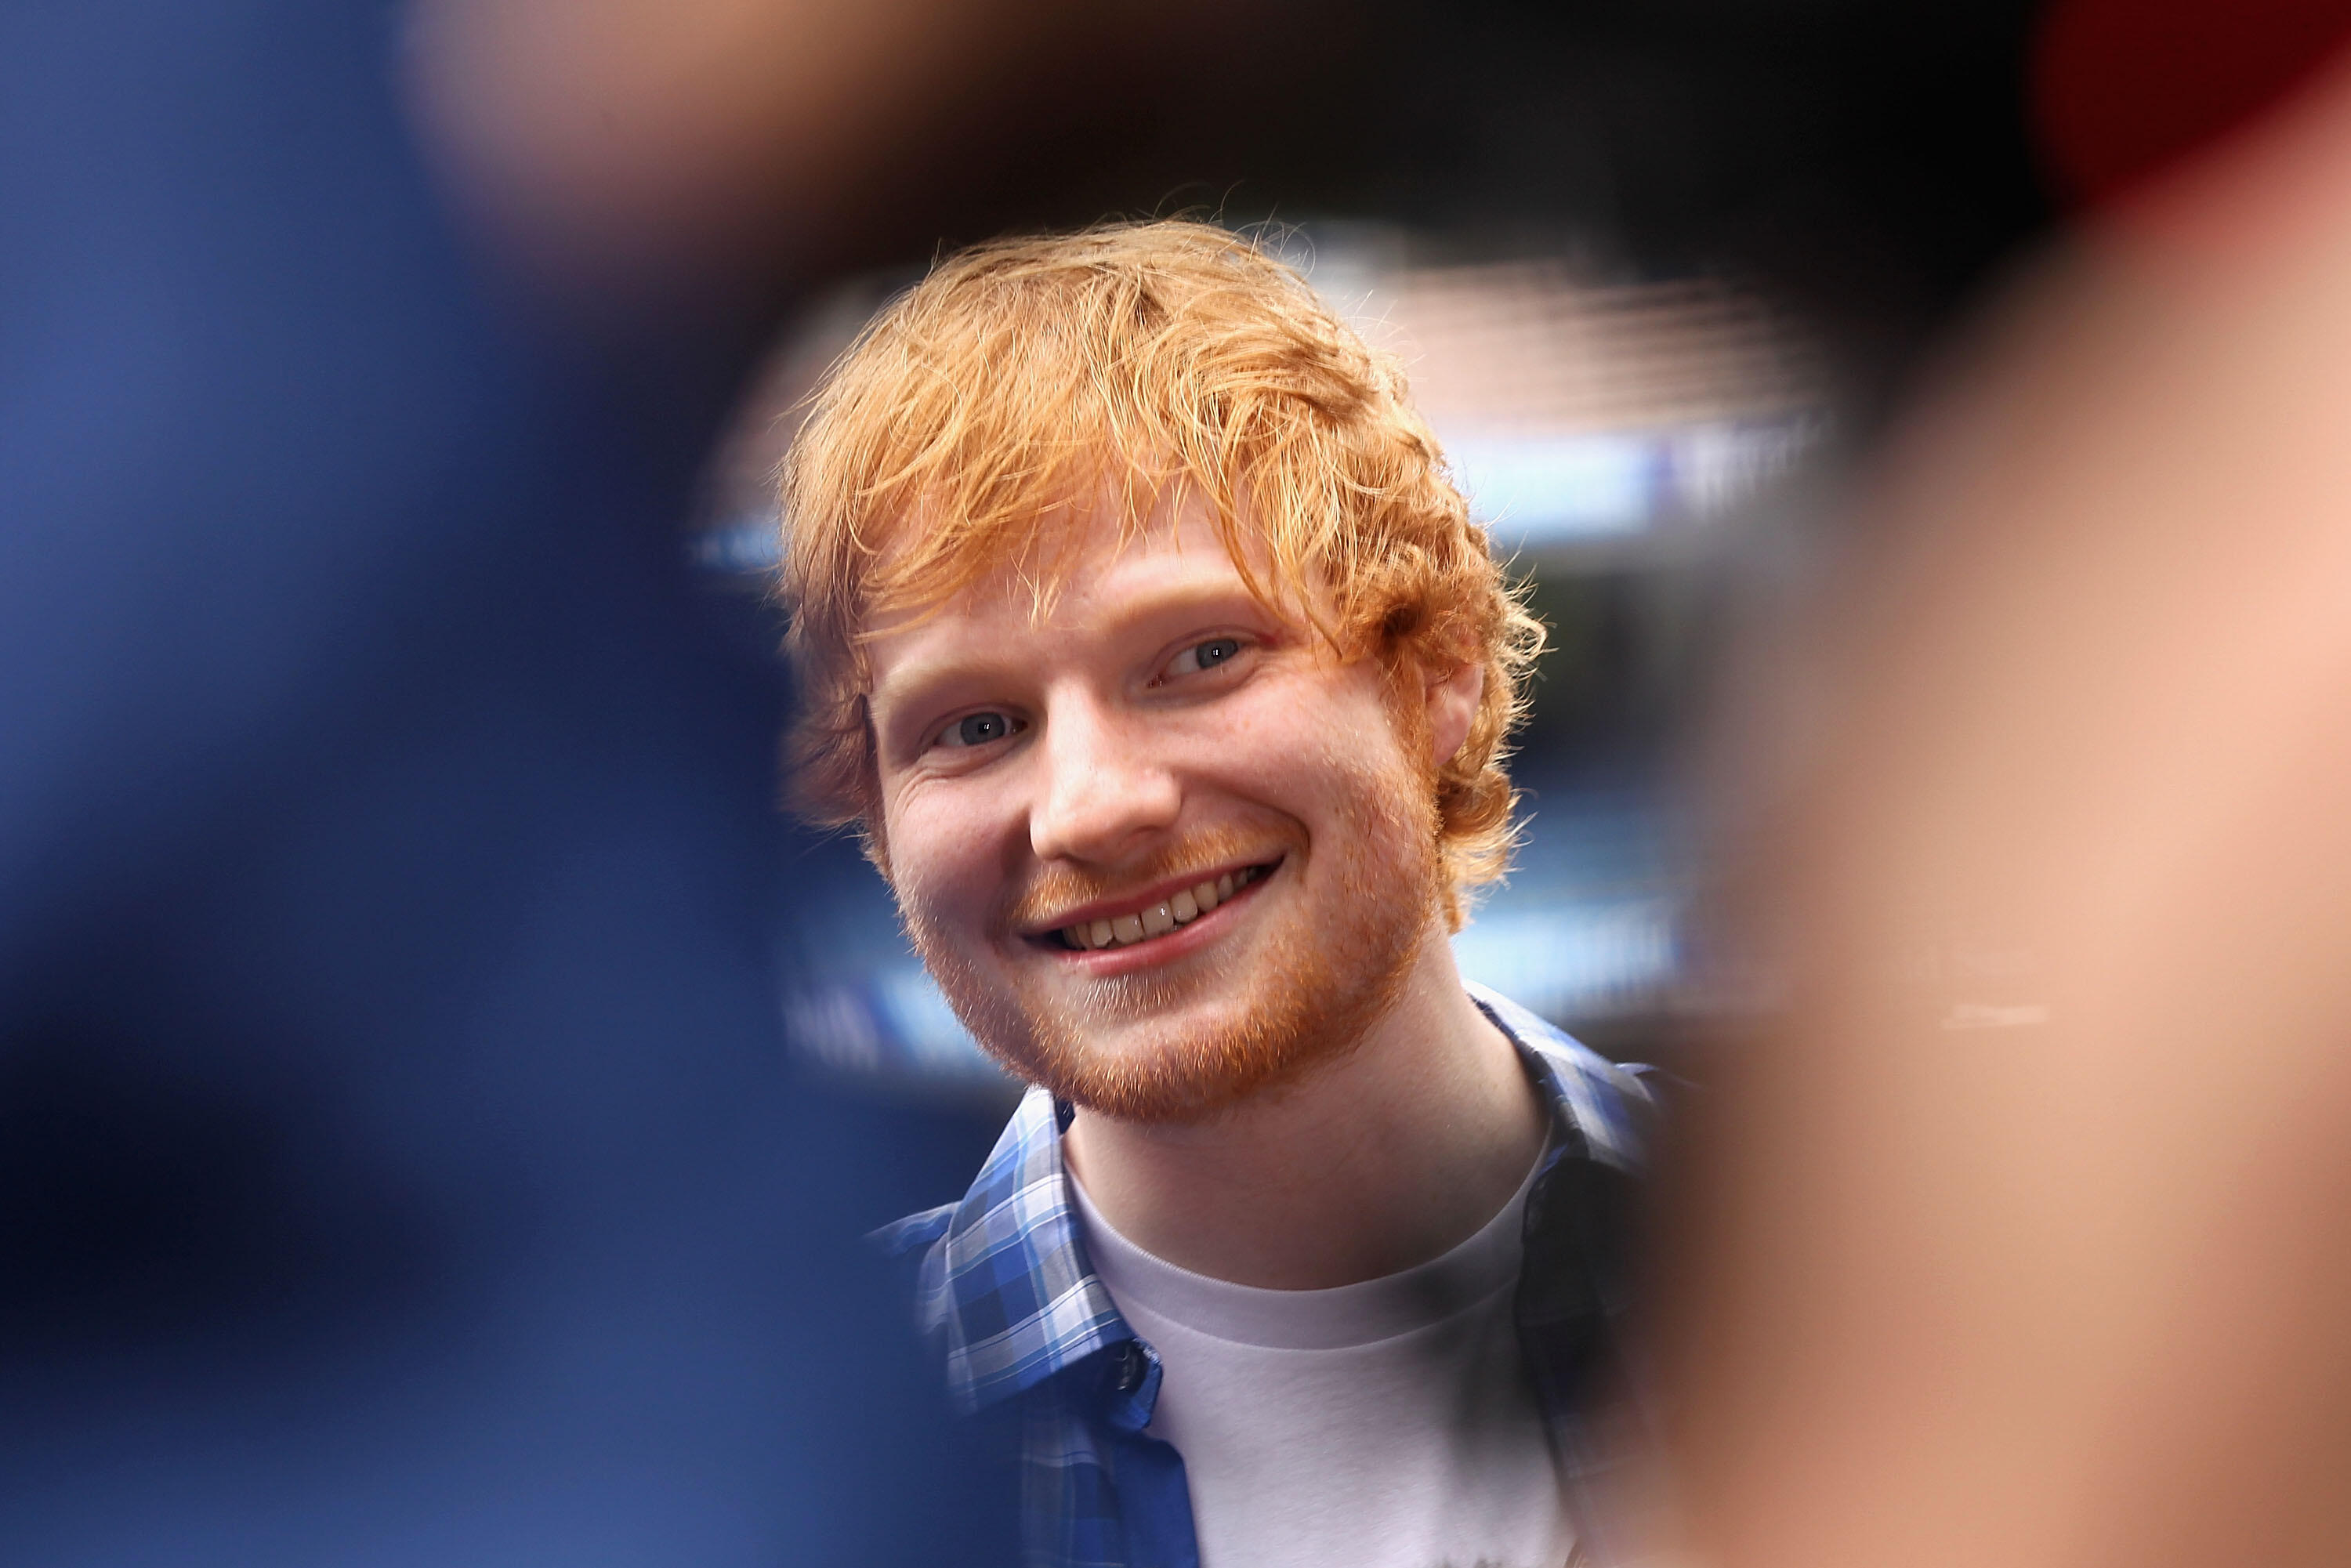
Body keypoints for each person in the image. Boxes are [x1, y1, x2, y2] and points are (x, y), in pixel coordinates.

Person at [777, 221, 1656, 1568]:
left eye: (1199, 653)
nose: (1089, 804)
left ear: (1440, 674)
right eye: (972, 725)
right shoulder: (782, 1448)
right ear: (880, 826)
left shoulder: (1864, 1285)